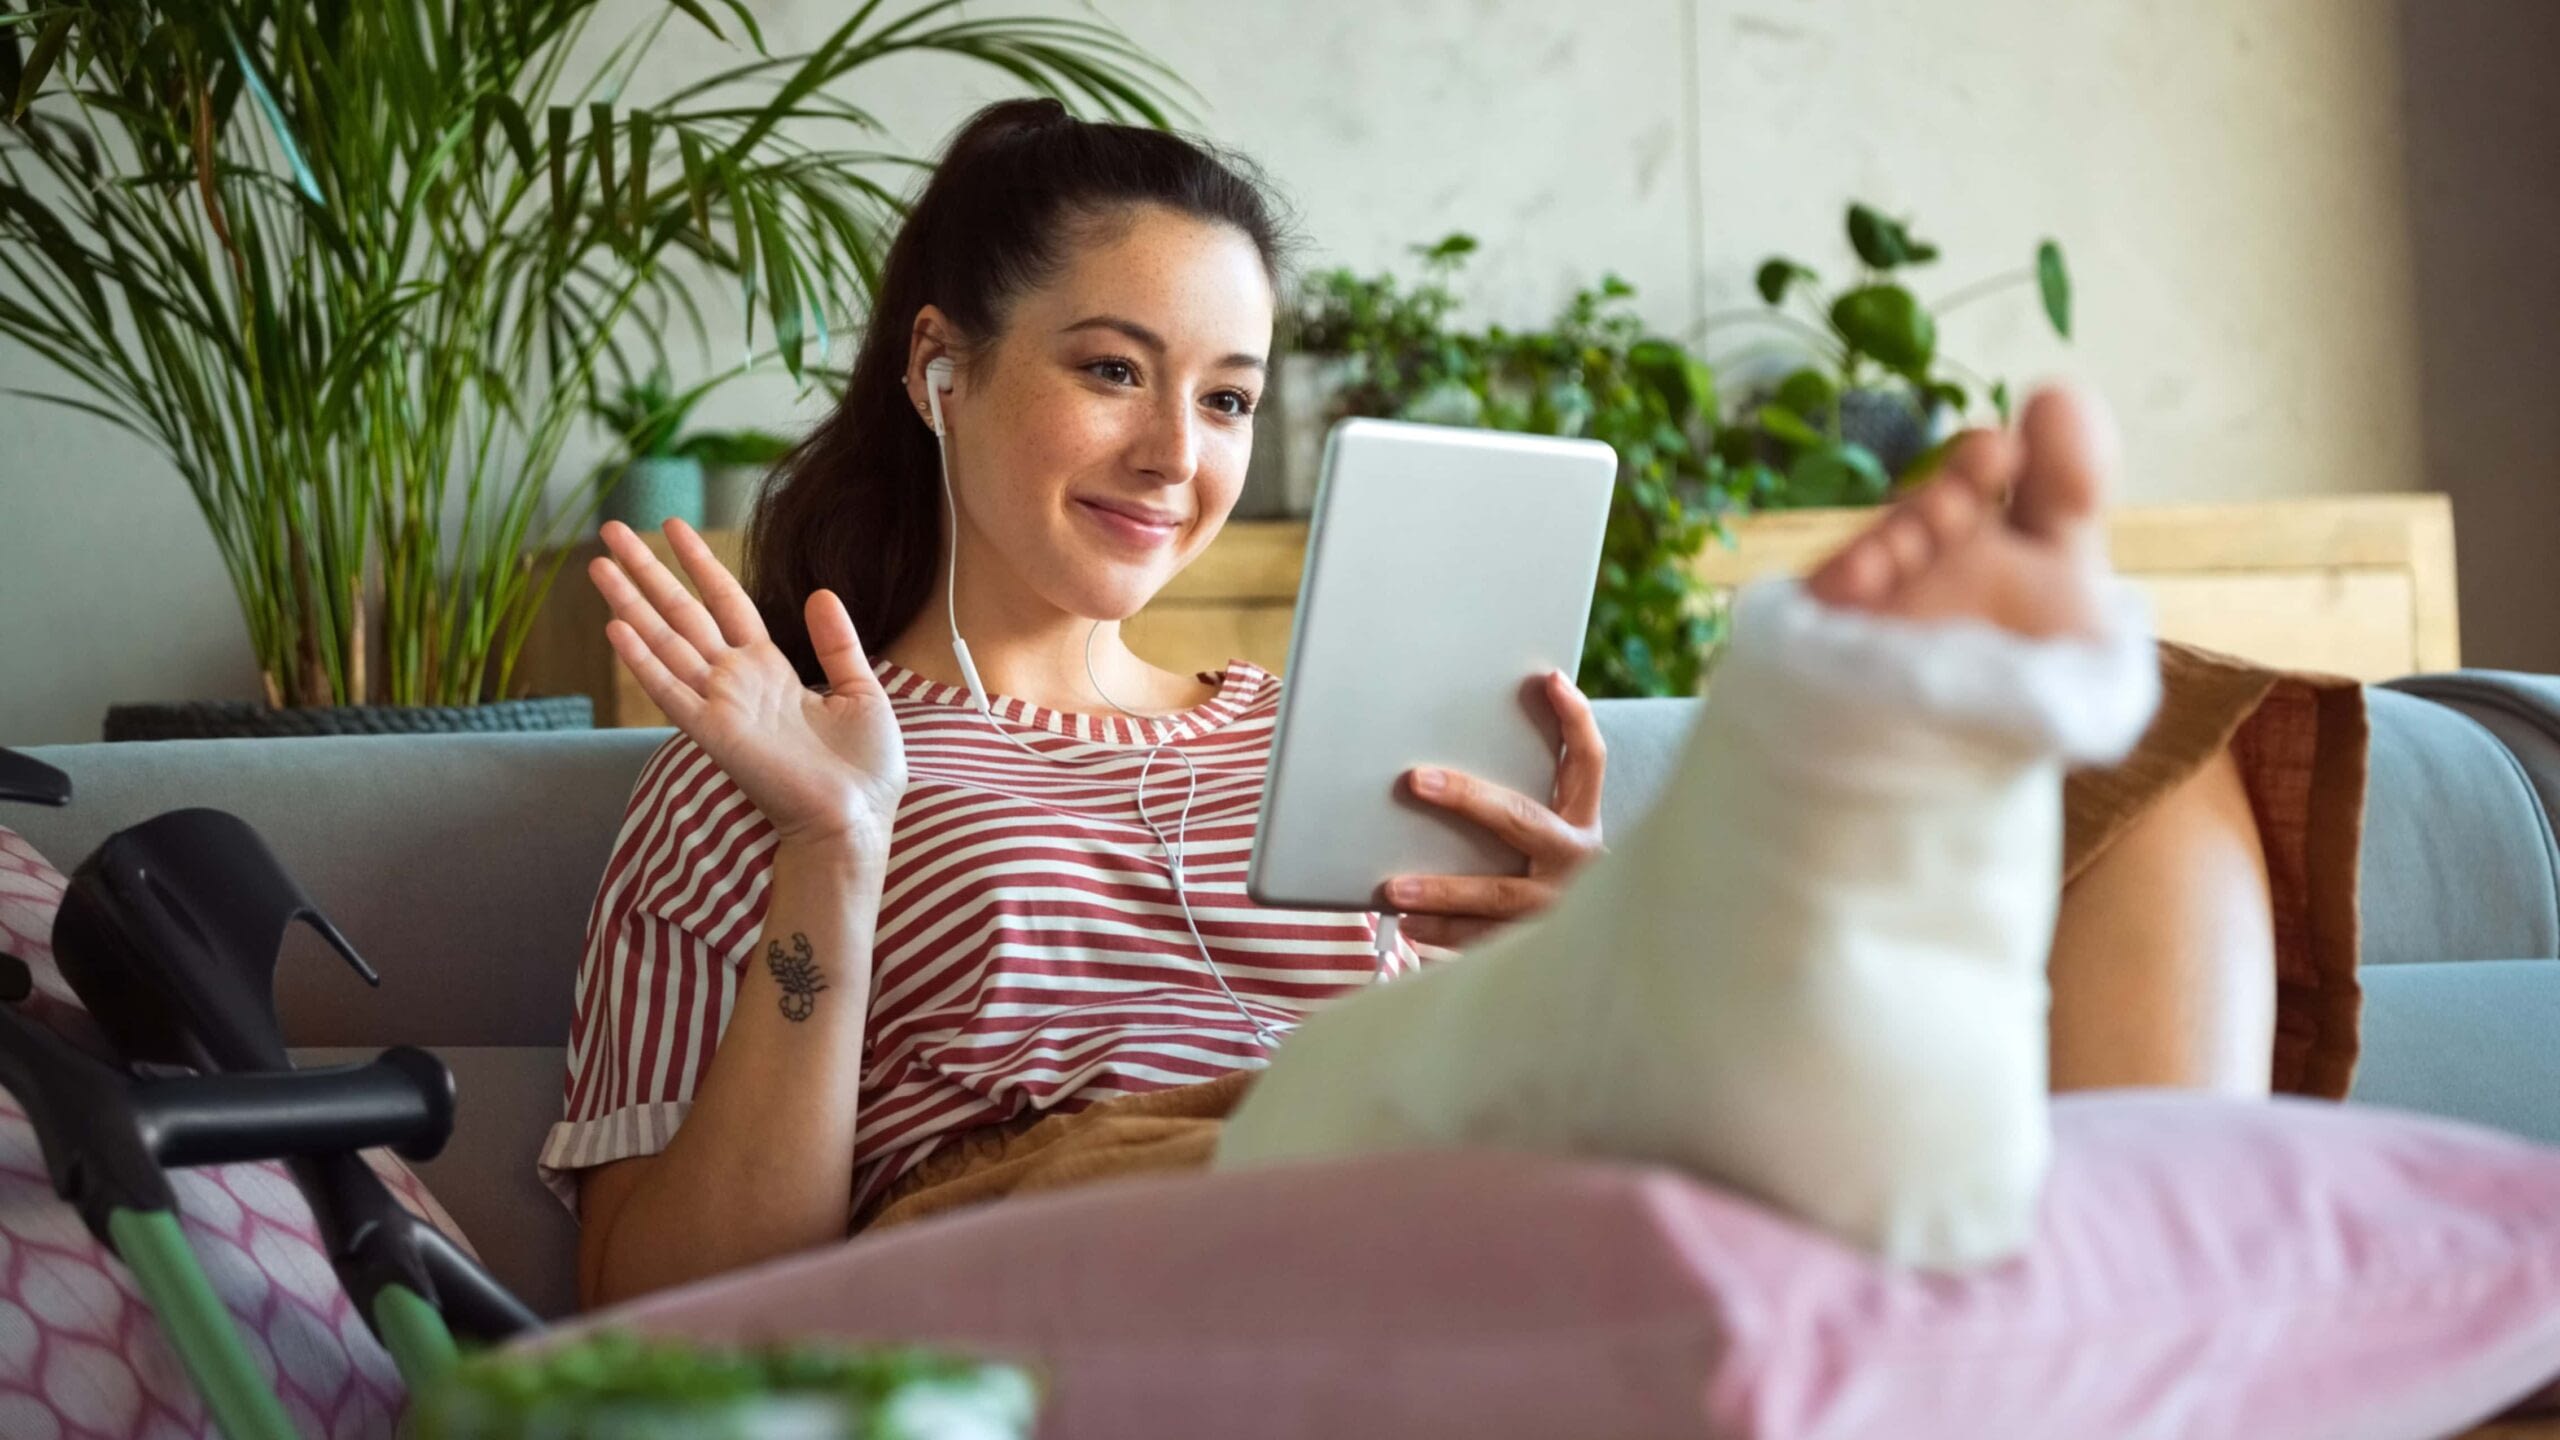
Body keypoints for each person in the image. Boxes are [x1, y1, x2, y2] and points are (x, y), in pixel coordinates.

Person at [544, 99, 2366, 1309]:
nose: (1177, 456)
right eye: (1114, 372)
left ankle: (2072, 1311)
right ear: (941, 368)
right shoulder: (774, 753)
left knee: (2148, 745)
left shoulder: (1318, 720)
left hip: (1428, 1159)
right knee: (1509, 1156)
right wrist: (833, 850)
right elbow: (647, 1304)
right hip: (1071, 1216)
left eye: (1233, 400)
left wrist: (1571, 948)